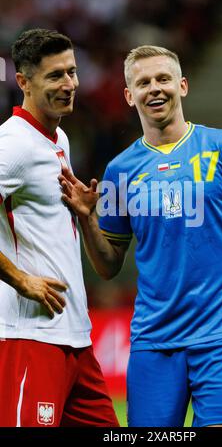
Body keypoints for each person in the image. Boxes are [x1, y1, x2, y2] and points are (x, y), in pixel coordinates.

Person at [59, 45, 222, 427]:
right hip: (154, 339)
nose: (155, 88)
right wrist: (87, 219)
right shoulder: (119, 170)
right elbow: (109, 264)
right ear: (130, 96)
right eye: (143, 82)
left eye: (163, 78)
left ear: (183, 85)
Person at [0, 28, 119, 427]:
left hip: (75, 338)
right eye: (55, 76)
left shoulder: (59, 138)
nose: (70, 85)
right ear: (23, 82)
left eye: (72, 72)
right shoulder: (13, 144)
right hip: (29, 337)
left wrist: (84, 214)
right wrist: (20, 280)